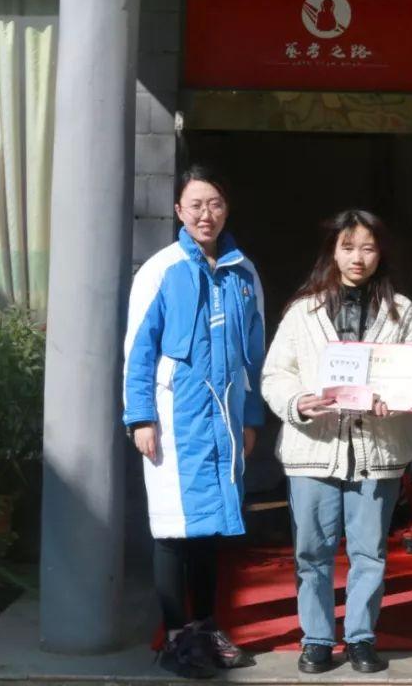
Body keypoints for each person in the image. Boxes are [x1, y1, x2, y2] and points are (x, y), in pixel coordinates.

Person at [261, 210, 412, 674]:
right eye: (348, 247)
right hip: (313, 449)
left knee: (369, 551)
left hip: (378, 450)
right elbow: (275, 374)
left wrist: (397, 400)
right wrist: (297, 402)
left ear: (380, 253)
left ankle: (360, 638)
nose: (358, 257)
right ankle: (316, 638)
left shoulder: (401, 310)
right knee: (312, 551)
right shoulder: (303, 311)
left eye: (367, 248)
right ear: (332, 251)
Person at [123, 165, 265, 679]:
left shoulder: (244, 273)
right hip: (173, 419)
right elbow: (137, 350)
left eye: (215, 204)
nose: (207, 214)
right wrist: (140, 417)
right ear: (179, 211)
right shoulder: (160, 270)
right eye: (196, 205)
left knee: (210, 527)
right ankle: (176, 635)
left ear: (226, 209)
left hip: (224, 419)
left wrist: (252, 418)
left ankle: (205, 627)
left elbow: (255, 354)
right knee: (171, 527)